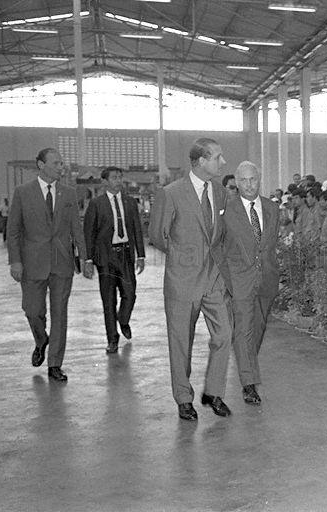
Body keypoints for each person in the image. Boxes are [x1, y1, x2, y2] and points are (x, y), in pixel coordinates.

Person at [150, 138, 233, 421]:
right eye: (218, 157)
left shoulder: (220, 193)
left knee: (224, 335)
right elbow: (157, 235)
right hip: (183, 280)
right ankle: (183, 398)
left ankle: (214, 392)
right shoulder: (171, 193)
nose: (222, 163)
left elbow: (221, 234)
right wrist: (181, 256)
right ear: (201, 161)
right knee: (180, 342)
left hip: (213, 278)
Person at [7, 148, 88, 382]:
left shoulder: (69, 194)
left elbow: (76, 228)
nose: (61, 167)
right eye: (56, 163)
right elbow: (13, 231)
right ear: (41, 165)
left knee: (60, 314)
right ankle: (41, 339)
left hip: (62, 262)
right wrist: (15, 261)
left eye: (62, 163)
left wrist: (85, 256)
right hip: (32, 263)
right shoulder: (23, 193)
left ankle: (55, 364)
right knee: (33, 311)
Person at [219, 161, 280, 405]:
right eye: (243, 181)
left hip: (267, 278)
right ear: (236, 182)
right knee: (243, 330)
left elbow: (271, 244)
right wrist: (228, 279)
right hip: (240, 281)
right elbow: (219, 249)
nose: (248, 185)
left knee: (259, 327)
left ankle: (247, 362)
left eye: (252, 179)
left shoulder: (272, 208)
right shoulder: (227, 212)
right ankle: (249, 382)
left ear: (259, 178)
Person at [83, 166, 146, 354]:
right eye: (114, 178)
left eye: (120, 177)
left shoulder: (130, 203)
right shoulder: (96, 204)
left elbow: (137, 229)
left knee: (130, 294)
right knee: (108, 301)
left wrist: (140, 255)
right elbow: (89, 232)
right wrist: (88, 259)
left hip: (126, 255)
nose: (118, 181)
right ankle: (112, 338)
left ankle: (123, 319)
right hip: (106, 257)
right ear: (104, 182)